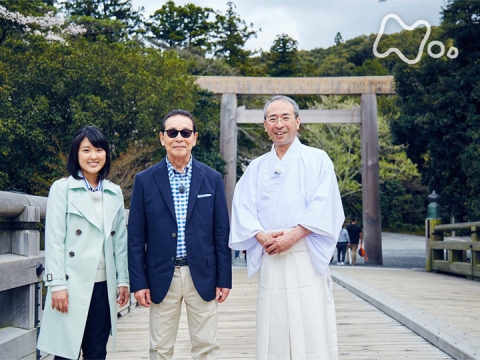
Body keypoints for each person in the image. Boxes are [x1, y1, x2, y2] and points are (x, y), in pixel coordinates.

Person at [229, 95, 345, 359]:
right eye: (272, 118)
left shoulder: (318, 160)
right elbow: (242, 208)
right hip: (271, 253)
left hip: (305, 253)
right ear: (265, 125)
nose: (279, 124)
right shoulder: (257, 167)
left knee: (311, 322)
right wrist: (260, 235)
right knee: (274, 322)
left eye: (285, 117)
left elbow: (324, 204)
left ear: (298, 122)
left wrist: (293, 236)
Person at [128, 109, 232, 360]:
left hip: (204, 273)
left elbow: (221, 231)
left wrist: (224, 278)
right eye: (172, 132)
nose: (179, 138)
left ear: (194, 138)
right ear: (162, 138)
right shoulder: (145, 180)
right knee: (160, 348)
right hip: (161, 274)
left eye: (185, 133)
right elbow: (135, 237)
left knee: (206, 346)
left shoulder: (212, 178)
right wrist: (139, 282)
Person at [37, 126, 129, 359]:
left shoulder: (113, 192)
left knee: (97, 352)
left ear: (106, 154)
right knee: (65, 353)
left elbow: (119, 241)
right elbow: (55, 239)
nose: (93, 156)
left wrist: (123, 280)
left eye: (99, 150)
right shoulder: (63, 189)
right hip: (70, 284)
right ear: (76, 155)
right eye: (86, 150)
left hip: (103, 284)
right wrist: (56, 284)